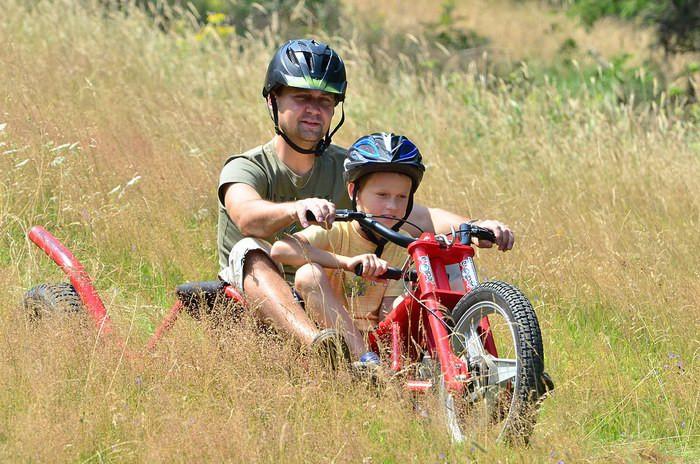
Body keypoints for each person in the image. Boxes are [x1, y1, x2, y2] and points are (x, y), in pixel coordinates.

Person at [217, 39, 514, 356]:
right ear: (273, 100)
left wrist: (475, 227)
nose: (314, 109)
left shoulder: (349, 170)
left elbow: (417, 215)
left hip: (335, 291)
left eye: (325, 100)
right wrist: (297, 209)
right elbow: (247, 216)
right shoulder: (247, 166)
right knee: (248, 249)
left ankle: (476, 367)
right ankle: (319, 347)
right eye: (302, 97)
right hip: (260, 287)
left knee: (435, 258)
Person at [270, 133, 425, 366]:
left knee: (414, 295)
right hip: (332, 335)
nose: (392, 207)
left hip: (375, 340)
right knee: (307, 274)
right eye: (382, 195)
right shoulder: (337, 231)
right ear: (354, 192)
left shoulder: (402, 244)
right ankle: (363, 358)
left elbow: (388, 314)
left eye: (401, 197)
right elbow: (281, 250)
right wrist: (346, 263)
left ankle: (382, 365)